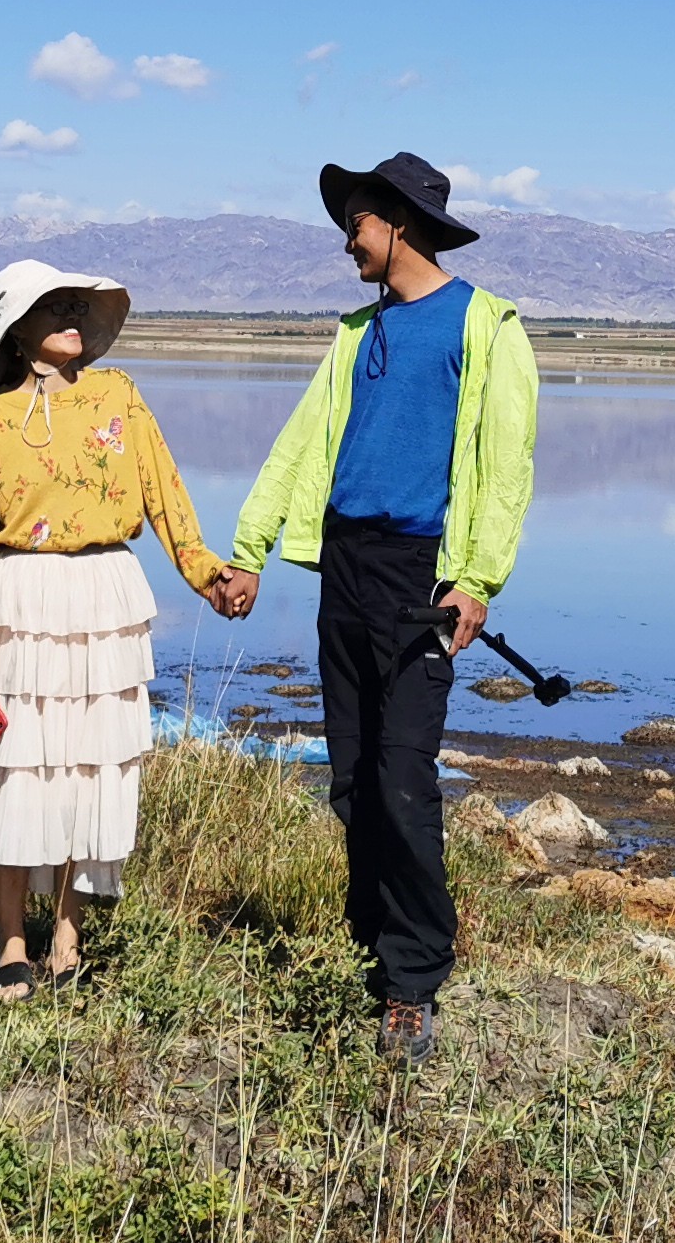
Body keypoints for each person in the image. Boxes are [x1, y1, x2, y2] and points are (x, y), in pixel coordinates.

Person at [211, 153, 538, 1063]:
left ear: (397, 223)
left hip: (421, 581)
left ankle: (412, 979)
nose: (345, 241)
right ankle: (369, 948)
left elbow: (507, 467)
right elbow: (298, 445)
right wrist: (250, 549)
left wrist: (476, 579)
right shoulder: (357, 333)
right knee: (353, 781)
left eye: (354, 224)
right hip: (345, 567)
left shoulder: (486, 326)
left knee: (403, 778)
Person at [0, 257, 237, 1002]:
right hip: (21, 603)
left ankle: (67, 935)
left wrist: (206, 572)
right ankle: (9, 945)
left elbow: (164, 489)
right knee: (13, 774)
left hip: (104, 598)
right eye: (54, 305)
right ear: (19, 330)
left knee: (81, 771)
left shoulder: (119, 395)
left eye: (78, 304)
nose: (73, 314)